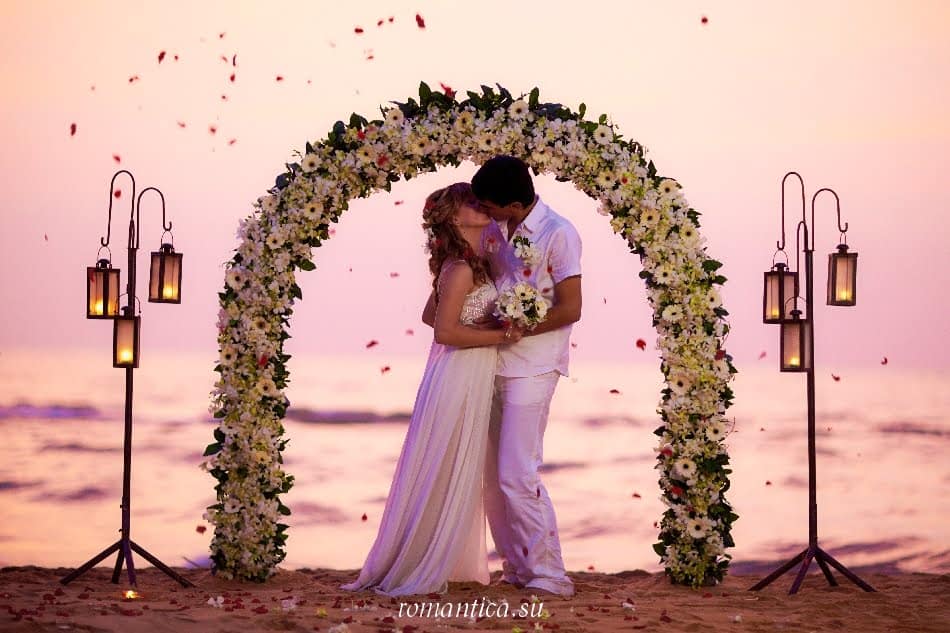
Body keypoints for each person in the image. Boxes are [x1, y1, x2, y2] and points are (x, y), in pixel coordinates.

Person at [340, 182, 522, 597]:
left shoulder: (470, 263)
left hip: (465, 370)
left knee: (455, 461)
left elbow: (430, 316)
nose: (481, 205)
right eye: (471, 202)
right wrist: (500, 334)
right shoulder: (460, 269)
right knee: (445, 461)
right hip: (458, 372)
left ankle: (441, 556)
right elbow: (443, 331)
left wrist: (482, 325)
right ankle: (421, 561)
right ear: (454, 218)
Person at [472, 155, 582, 597]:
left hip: (535, 365)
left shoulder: (559, 233)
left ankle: (550, 573)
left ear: (515, 204)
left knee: (518, 473)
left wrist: (519, 326)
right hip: (491, 362)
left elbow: (571, 308)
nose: (484, 211)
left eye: (489, 205)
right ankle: (517, 567)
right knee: (494, 477)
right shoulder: (496, 230)